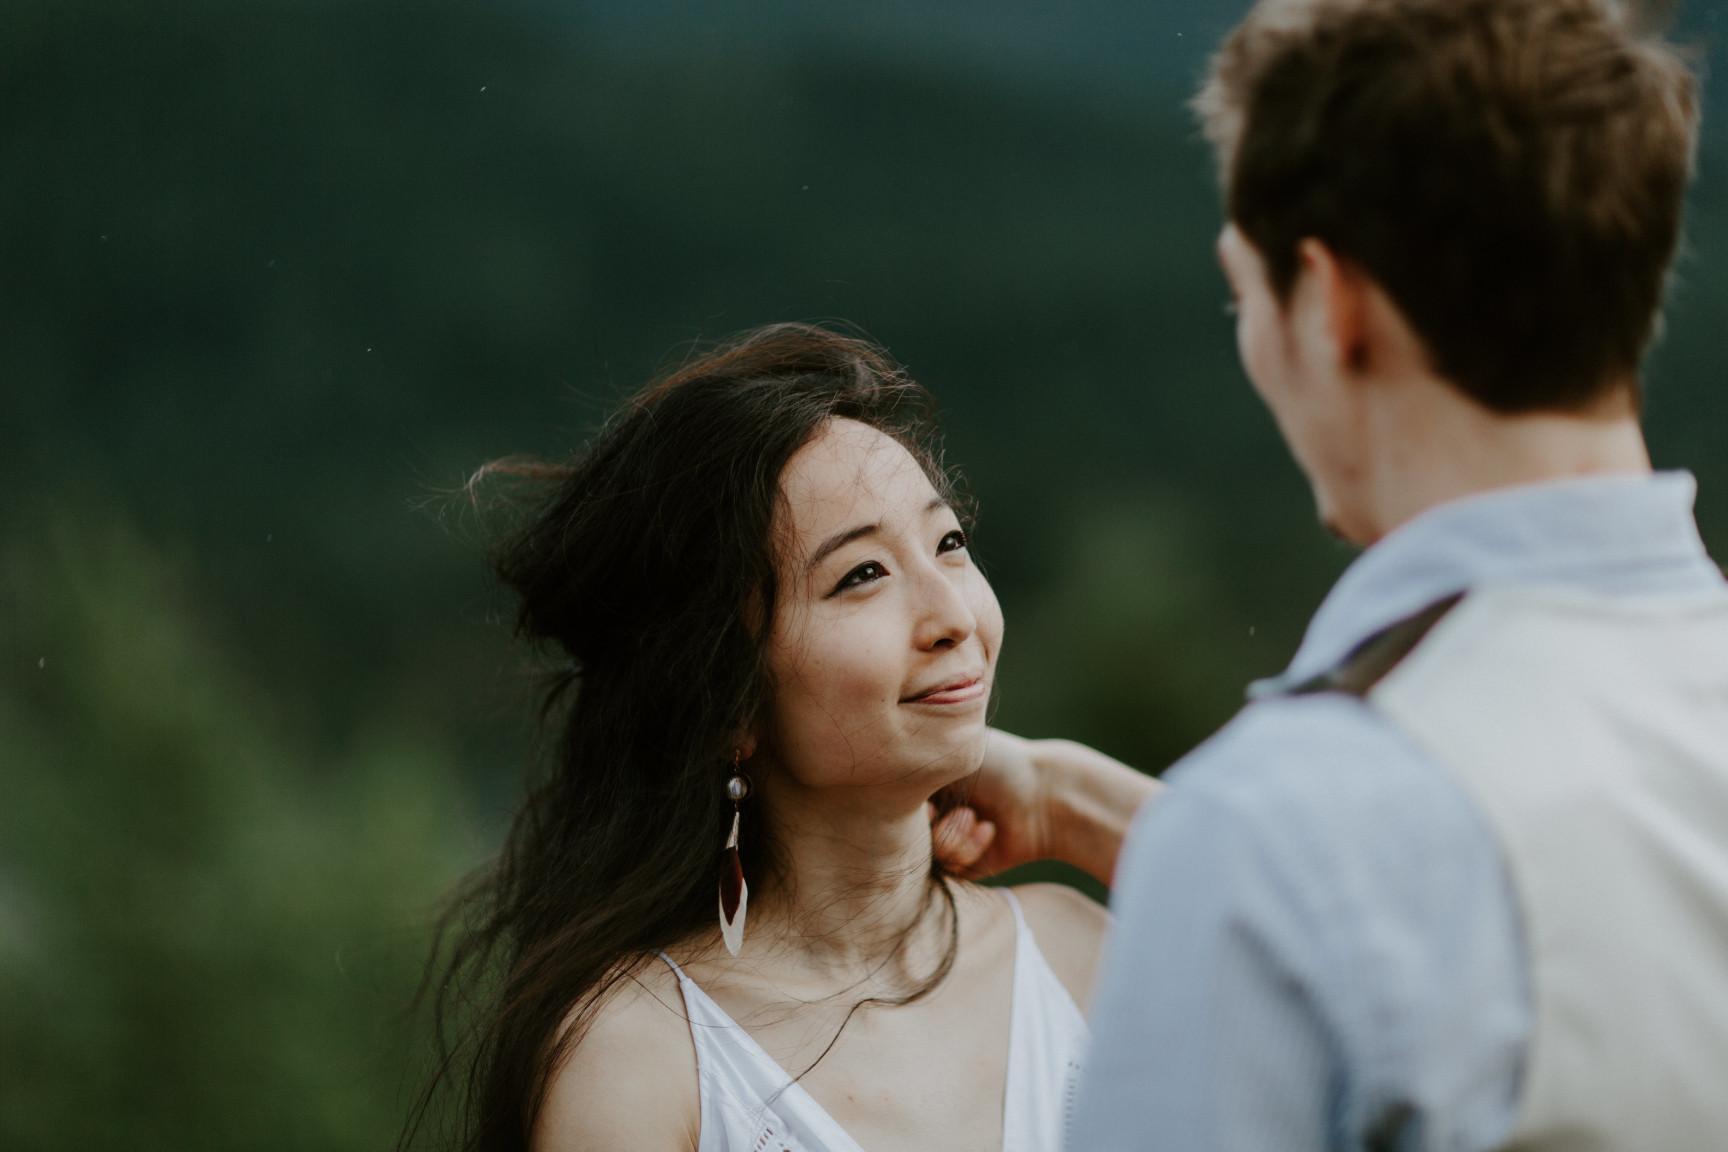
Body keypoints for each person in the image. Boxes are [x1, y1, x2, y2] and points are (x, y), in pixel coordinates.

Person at [951, 0, 1728, 1147]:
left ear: (1330, 304)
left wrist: (1209, 856)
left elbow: (1344, 882)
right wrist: (1087, 806)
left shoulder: (1278, 831)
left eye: (1244, 290)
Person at [412, 323, 1153, 1152]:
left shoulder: (1077, 955)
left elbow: (1317, 955)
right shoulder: (644, 1060)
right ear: (725, 697)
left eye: (949, 543)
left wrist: (1062, 797)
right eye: (860, 575)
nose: (953, 617)